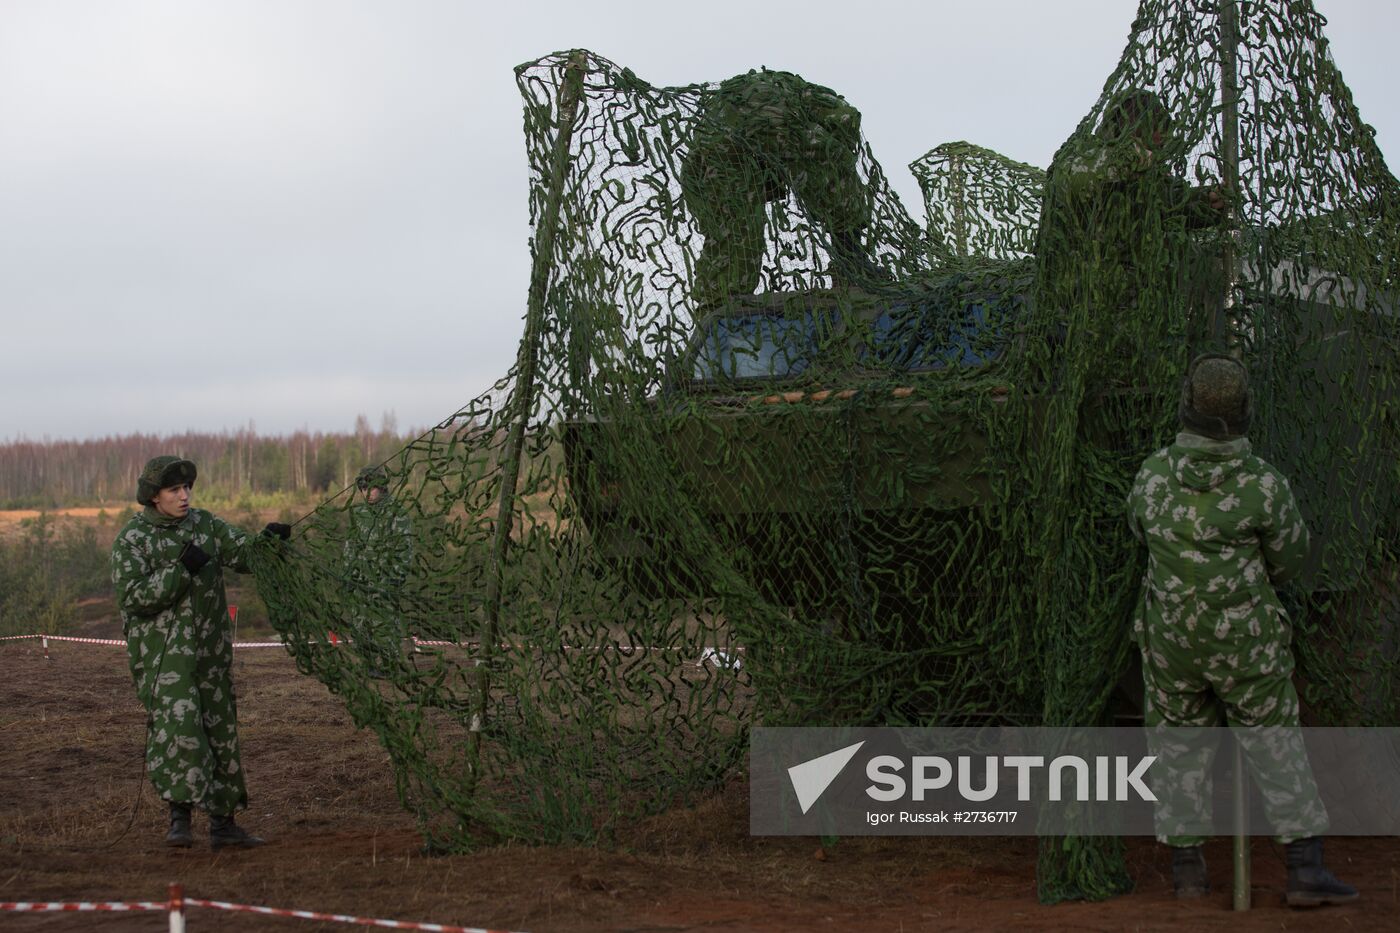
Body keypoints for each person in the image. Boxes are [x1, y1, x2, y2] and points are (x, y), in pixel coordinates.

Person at [1126, 354, 1358, 907]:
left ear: (1186, 406)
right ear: (1246, 413)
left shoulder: (1153, 474)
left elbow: (1139, 531)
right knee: (1276, 743)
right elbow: (1292, 561)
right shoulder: (1264, 484)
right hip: (1245, 644)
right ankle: (1304, 868)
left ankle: (1188, 871)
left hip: (1171, 641)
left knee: (1179, 746)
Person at [111, 455, 290, 850]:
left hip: (210, 654)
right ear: (154, 496)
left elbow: (242, 553)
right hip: (165, 660)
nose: (184, 496)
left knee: (220, 732)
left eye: (187, 488)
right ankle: (180, 820)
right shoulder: (133, 539)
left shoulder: (206, 525)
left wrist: (269, 542)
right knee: (180, 731)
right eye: (174, 490)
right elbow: (134, 597)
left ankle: (224, 825)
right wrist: (181, 569)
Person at [680, 68, 885, 306]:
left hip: (706, 154)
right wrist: (839, 155)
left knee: (734, 229)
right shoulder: (805, 105)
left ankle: (718, 305)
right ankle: (851, 261)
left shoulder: (727, 115)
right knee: (835, 178)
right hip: (772, 126)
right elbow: (846, 117)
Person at [341, 466, 414, 670]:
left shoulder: (396, 513)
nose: (366, 493)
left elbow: (404, 550)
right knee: (360, 623)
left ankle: (390, 665)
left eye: (370, 488)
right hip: (360, 582)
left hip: (384, 582)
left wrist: (394, 579)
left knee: (385, 624)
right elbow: (350, 546)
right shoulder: (358, 513)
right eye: (362, 488)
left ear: (381, 487)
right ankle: (368, 665)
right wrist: (348, 574)